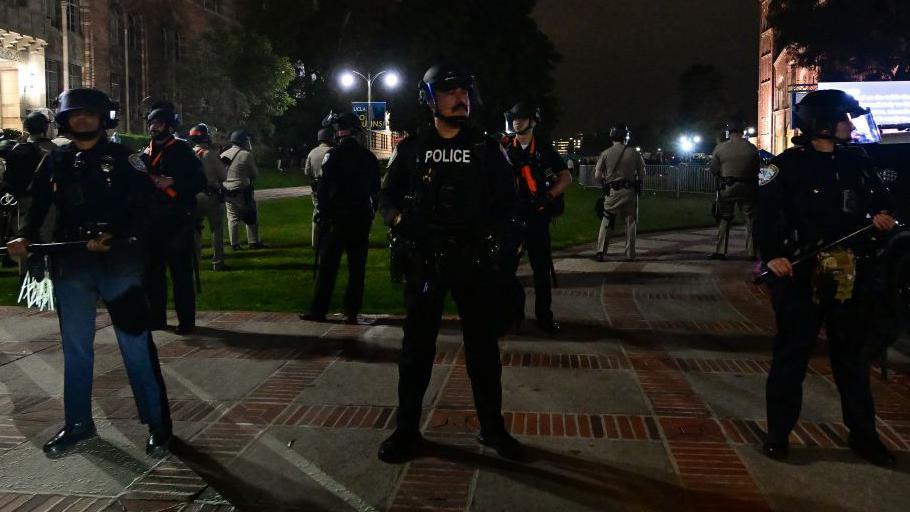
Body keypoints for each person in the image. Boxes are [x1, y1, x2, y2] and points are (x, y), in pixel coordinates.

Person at [6, 88, 172, 458]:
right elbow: (38, 203)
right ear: (65, 118)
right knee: (76, 348)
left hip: (119, 261)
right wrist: (24, 235)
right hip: (73, 263)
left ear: (102, 117)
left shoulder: (124, 158)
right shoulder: (56, 158)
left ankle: (158, 424)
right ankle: (79, 423)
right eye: (75, 113)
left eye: (89, 113)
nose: (82, 119)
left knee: (135, 344)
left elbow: (148, 205)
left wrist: (114, 232)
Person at [377, 62, 523, 463]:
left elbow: (510, 208)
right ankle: (406, 431)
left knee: (483, 350)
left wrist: (504, 259)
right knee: (416, 350)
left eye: (465, 91)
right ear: (429, 98)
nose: (461, 98)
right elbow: (385, 200)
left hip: (474, 263)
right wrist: (405, 222)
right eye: (449, 91)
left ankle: (492, 429)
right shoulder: (411, 148)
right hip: (425, 263)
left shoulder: (488, 148)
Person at [755, 89, 897, 467]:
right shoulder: (784, 167)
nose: (850, 126)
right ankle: (778, 434)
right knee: (791, 357)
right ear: (822, 125)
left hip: (850, 276)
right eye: (843, 119)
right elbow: (765, 218)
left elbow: (881, 201)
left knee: (851, 360)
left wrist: (882, 217)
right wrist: (774, 257)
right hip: (802, 278)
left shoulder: (858, 162)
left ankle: (864, 437)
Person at [299, 113, 379, 324]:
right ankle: (351, 311)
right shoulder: (368, 157)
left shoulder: (333, 155)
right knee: (357, 269)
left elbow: (324, 189)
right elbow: (376, 191)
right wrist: (370, 214)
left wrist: (323, 213)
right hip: (360, 218)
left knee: (328, 267)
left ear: (338, 133)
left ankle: (319, 310)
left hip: (336, 220)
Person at [501, 102, 572, 333]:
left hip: (536, 216)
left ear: (533, 121)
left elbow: (565, 177)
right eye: (513, 117)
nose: (516, 121)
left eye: (521, 117)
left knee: (541, 270)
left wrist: (549, 196)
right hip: (511, 217)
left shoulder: (543, 148)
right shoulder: (503, 147)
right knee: (505, 268)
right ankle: (513, 313)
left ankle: (544, 316)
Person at [143, 102, 205, 335]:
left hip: (177, 219)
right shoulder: (146, 152)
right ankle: (157, 318)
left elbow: (199, 182)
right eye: (151, 123)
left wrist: (174, 182)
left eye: (158, 123)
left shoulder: (182, 150)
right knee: (153, 273)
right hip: (153, 221)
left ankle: (186, 321)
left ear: (169, 126)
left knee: (180, 273)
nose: (153, 127)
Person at [708, 119, 760, 260]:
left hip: (727, 187)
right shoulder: (751, 148)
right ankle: (751, 252)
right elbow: (756, 169)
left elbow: (713, 169)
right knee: (749, 219)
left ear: (729, 133)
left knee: (725, 218)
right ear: (742, 132)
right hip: (748, 187)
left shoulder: (720, 148)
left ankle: (720, 251)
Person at [594, 124, 644, 261]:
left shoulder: (605, 153)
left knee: (607, 219)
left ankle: (601, 251)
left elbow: (597, 175)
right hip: (630, 192)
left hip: (613, 192)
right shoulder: (634, 153)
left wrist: (604, 184)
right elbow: (642, 173)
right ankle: (630, 254)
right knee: (630, 223)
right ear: (626, 137)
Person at [188, 123, 228, 271]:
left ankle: (195, 263)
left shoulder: (189, 152)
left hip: (194, 196)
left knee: (194, 230)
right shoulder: (209, 153)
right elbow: (223, 176)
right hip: (211, 195)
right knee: (216, 230)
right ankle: (218, 262)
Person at [221, 130, 266, 250]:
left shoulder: (224, 154)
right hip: (242, 190)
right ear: (243, 141)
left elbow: (221, 173)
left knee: (232, 218)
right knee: (251, 215)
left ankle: (234, 244)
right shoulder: (246, 155)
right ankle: (253, 241)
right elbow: (254, 174)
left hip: (227, 191)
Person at [304, 127, 334, 248]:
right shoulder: (333, 151)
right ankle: (330, 242)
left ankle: (315, 242)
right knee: (332, 214)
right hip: (330, 188)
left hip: (316, 188)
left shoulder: (312, 152)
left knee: (317, 213)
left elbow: (307, 172)